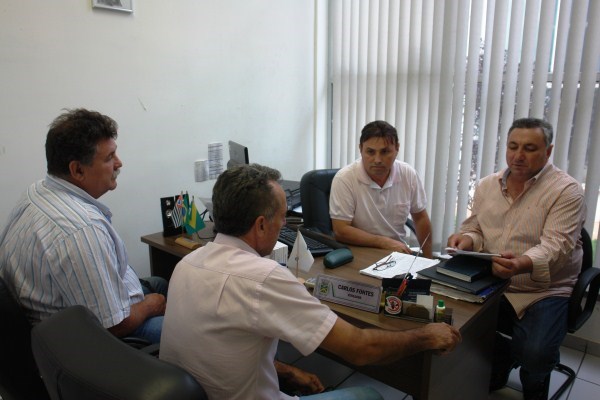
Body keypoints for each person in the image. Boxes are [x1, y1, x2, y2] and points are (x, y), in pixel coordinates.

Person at [160, 163, 461, 400]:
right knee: (369, 394)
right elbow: (360, 349)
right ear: (261, 224)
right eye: (282, 218)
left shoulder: (188, 263)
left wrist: (285, 370)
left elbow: (219, 347)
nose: (283, 226)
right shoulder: (263, 278)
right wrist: (425, 336)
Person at [447, 118, 586, 400]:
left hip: (542, 289)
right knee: (454, 325)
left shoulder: (567, 191)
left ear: (548, 152)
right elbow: (473, 227)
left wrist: (520, 264)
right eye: (513, 146)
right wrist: (466, 240)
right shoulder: (487, 185)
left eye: (530, 148)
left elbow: (556, 247)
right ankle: (498, 365)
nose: (518, 155)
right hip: (492, 281)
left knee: (535, 354)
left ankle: (534, 386)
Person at [0, 108, 166, 344]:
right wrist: (149, 306)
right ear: (77, 170)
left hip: (70, 310)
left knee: (162, 283)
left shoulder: (37, 191)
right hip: (90, 340)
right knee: (190, 332)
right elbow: (112, 325)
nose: (119, 163)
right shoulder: (81, 230)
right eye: (109, 158)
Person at [329, 120, 433, 258]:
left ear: (397, 149)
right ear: (360, 149)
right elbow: (341, 230)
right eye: (370, 152)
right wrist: (384, 242)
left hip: (396, 254)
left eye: (385, 152)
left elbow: (420, 218)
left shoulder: (408, 174)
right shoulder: (344, 178)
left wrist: (428, 260)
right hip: (358, 252)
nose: (377, 160)